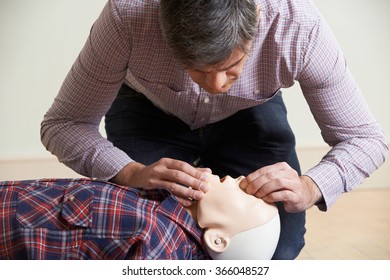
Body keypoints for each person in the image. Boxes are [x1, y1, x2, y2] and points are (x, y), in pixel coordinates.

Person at [40, 0, 388, 259]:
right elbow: (64, 124)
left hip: (251, 113)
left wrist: (311, 187)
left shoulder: (298, 26)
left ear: (257, 22)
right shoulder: (127, 17)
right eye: (195, 68)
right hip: (146, 108)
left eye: (232, 66)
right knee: (146, 238)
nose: (216, 85)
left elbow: (366, 139)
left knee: (277, 247)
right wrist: (130, 172)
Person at [0, 174, 279, 260]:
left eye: (246, 196)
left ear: (217, 238)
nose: (236, 178)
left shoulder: (159, 249)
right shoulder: (163, 200)